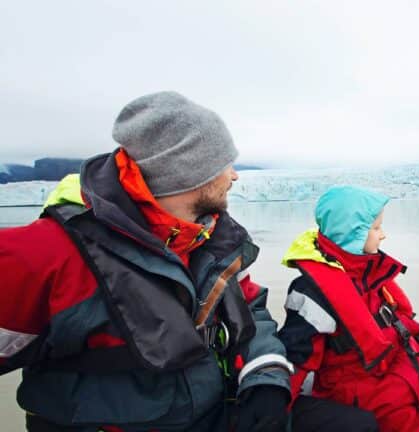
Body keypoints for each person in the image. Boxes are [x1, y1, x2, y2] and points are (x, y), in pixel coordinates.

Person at [0, 92, 377, 431]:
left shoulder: (209, 239)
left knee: (356, 426)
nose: (234, 176)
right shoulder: (47, 251)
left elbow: (252, 315)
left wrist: (266, 381)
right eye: (224, 165)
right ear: (187, 172)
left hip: (216, 411)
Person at [278, 185, 419, 432]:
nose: (382, 235)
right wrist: (274, 414)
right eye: (375, 228)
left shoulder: (367, 273)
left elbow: (384, 320)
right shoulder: (314, 292)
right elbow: (296, 359)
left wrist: (414, 327)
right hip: (375, 398)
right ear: (352, 233)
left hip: (416, 375)